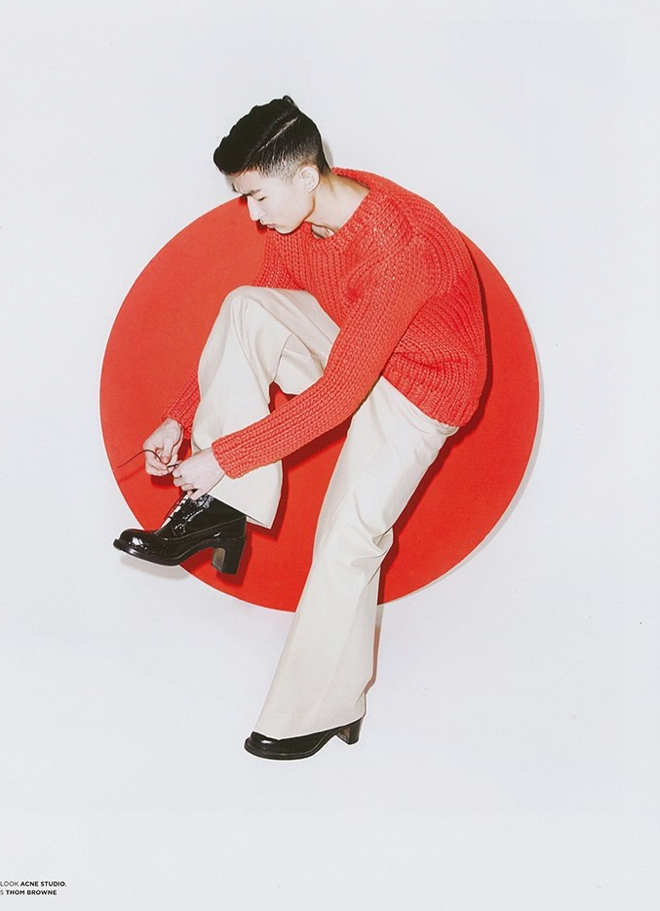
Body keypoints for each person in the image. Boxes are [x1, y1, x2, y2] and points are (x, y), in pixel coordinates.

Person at [114, 96, 487, 760]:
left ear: (307, 175)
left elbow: (340, 395)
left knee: (348, 537)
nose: (253, 215)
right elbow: (267, 311)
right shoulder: (297, 223)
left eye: (257, 197)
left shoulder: (399, 245)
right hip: (357, 345)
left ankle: (324, 707)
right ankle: (222, 509)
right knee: (246, 305)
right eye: (244, 199)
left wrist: (223, 456)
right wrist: (179, 416)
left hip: (423, 384)